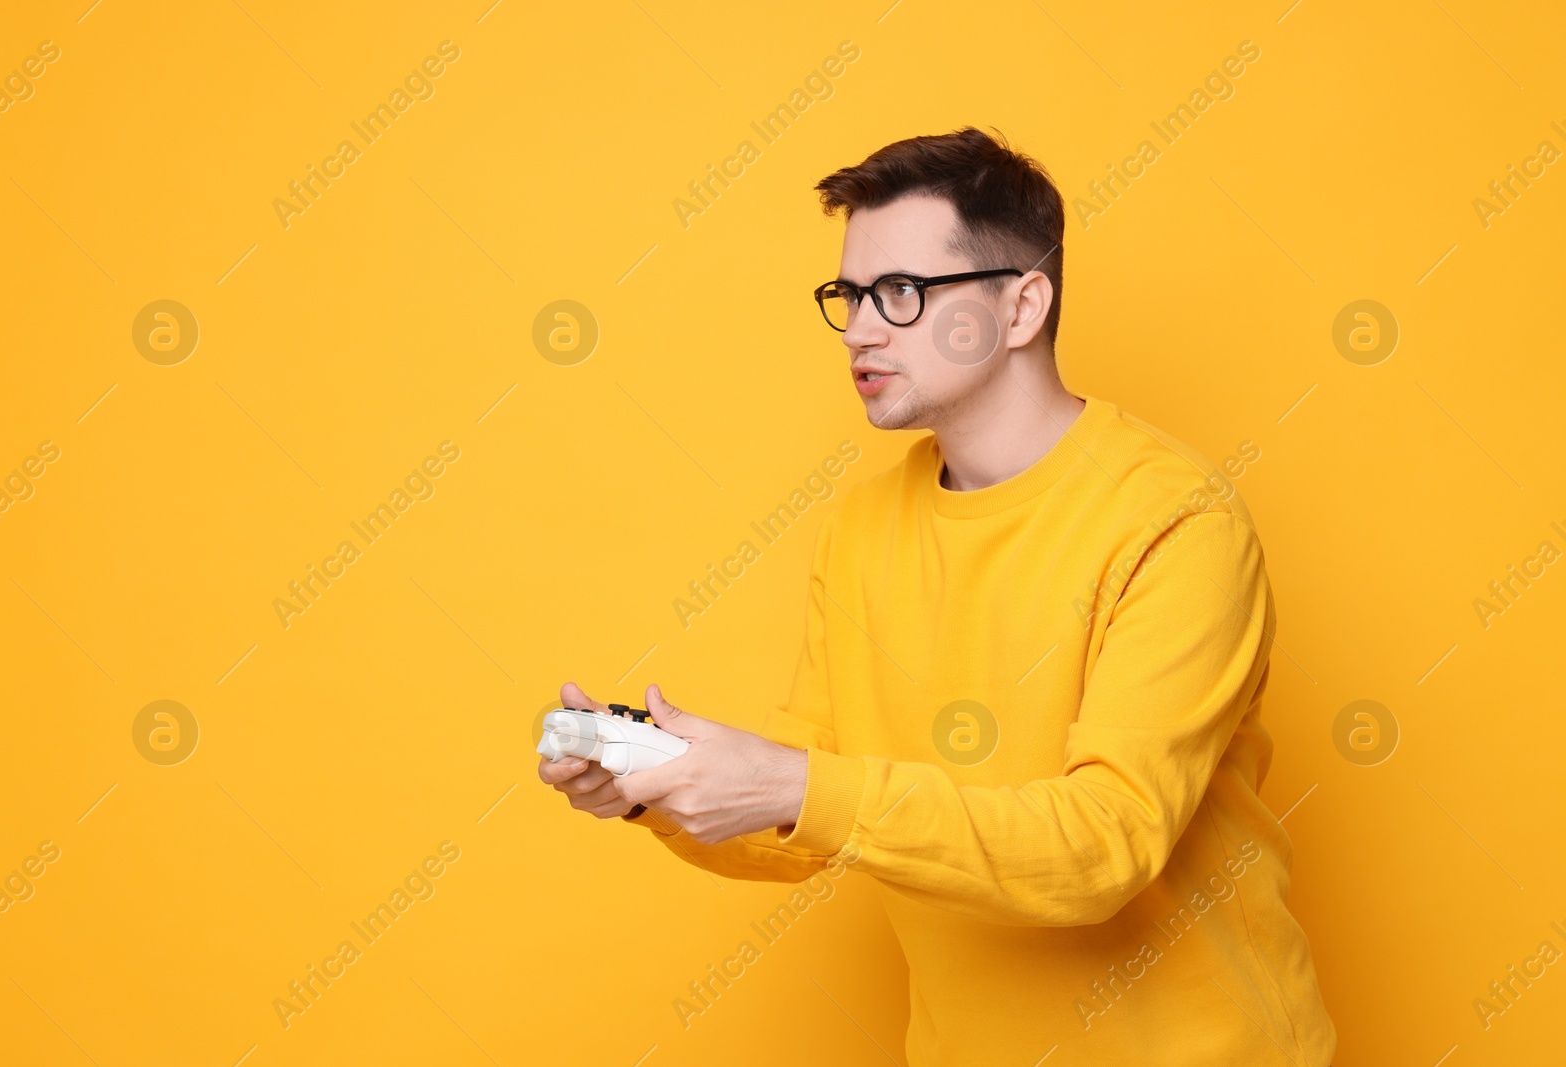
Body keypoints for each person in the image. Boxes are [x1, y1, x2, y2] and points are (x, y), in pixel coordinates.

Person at [539, 126, 1336, 1066]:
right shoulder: (864, 526)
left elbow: (1103, 847)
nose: (863, 329)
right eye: (849, 296)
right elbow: (812, 813)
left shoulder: (1177, 523)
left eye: (903, 294)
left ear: (1021, 305)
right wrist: (658, 786)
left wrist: (794, 783)